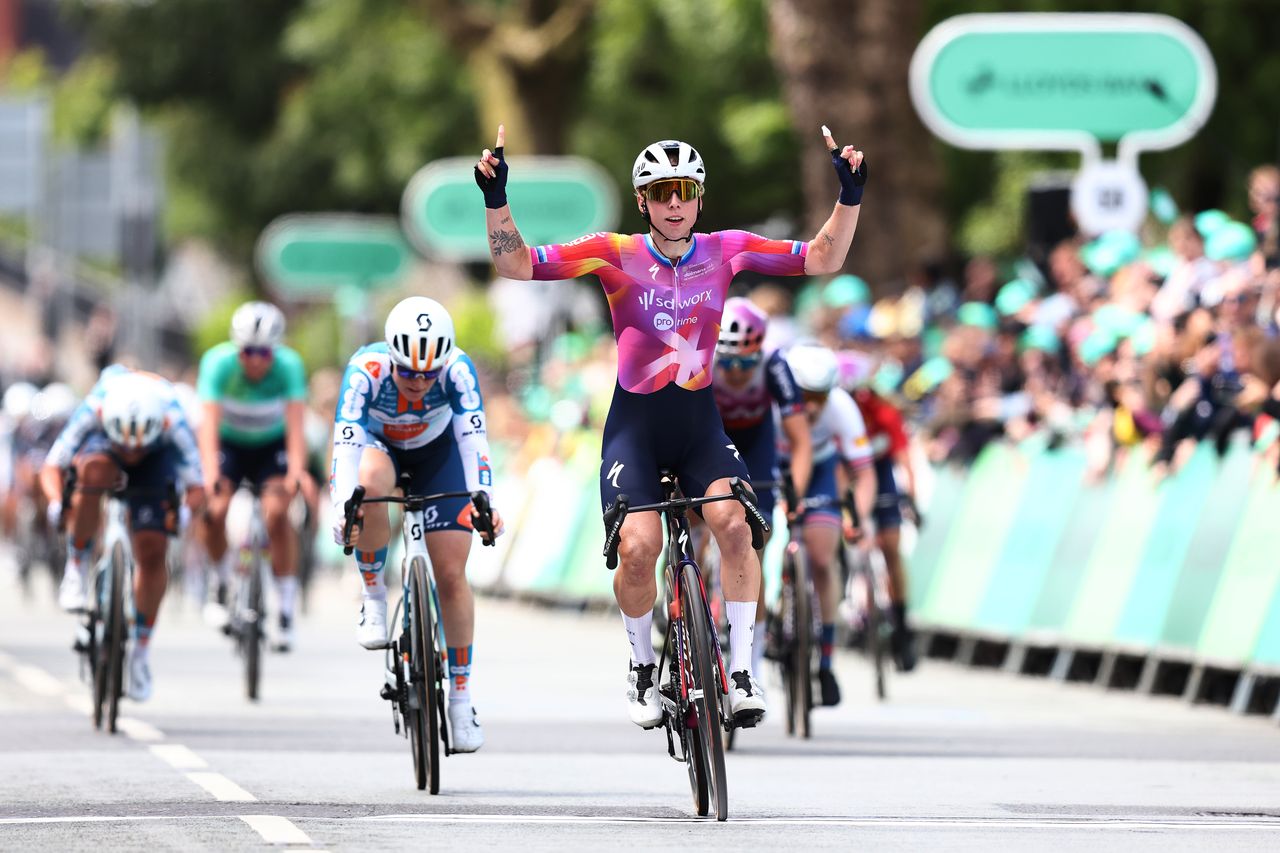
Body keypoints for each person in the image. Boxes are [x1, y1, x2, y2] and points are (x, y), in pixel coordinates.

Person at [475, 123, 868, 728]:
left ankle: (741, 673)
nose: (675, 202)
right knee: (640, 549)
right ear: (644, 202)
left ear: (700, 197)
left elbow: (822, 258)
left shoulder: (726, 249)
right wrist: (496, 199)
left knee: (736, 526)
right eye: (661, 192)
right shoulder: (616, 252)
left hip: (698, 423)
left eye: (684, 189)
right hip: (636, 425)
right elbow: (518, 266)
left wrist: (849, 198)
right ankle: (640, 670)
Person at [329, 296, 503, 754]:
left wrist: (486, 500)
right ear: (391, 357)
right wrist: (340, 506)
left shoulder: (458, 371)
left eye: (429, 374)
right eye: (408, 372)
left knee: (450, 573)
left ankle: (462, 699)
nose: (419, 383)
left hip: (438, 455)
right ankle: (372, 595)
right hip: (378, 451)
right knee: (368, 485)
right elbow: (345, 445)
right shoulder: (365, 370)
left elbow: (474, 441)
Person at [40, 366, 206, 701]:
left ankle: (141, 653)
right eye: (126, 446)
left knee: (153, 548)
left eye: (137, 447)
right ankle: (77, 563)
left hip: (156, 459)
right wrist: (58, 502)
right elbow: (52, 466)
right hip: (104, 447)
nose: (131, 452)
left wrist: (184, 514)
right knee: (92, 470)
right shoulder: (96, 407)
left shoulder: (173, 417)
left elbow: (197, 487)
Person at [196, 302, 313, 652]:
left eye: (264, 352)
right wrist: (211, 473)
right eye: (248, 352)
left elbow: (295, 428)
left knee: (278, 515)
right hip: (230, 445)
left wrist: (295, 472)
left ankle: (286, 609)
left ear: (274, 349)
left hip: (270, 446)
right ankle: (219, 583)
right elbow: (209, 427)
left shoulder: (290, 366)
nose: (256, 360)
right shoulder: (218, 364)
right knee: (214, 510)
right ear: (237, 348)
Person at [711, 296, 813, 675]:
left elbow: (800, 442)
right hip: (713, 440)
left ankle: (749, 663)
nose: (736, 371)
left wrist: (796, 496)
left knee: (755, 546)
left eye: (745, 362)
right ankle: (680, 601)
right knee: (690, 523)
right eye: (729, 361)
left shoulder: (774, 364)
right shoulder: (703, 361)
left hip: (757, 447)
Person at [781, 343, 876, 707]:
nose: (814, 406)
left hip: (819, 469)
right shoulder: (773, 402)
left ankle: (825, 660)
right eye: (805, 396)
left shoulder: (842, 408)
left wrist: (859, 517)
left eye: (820, 396)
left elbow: (863, 474)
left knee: (822, 558)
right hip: (772, 465)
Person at [842, 353, 919, 672]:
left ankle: (902, 628)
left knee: (891, 550)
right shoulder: (838, 413)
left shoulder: (884, 412)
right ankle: (855, 611)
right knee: (846, 540)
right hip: (850, 474)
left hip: (882, 475)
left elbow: (904, 459)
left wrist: (912, 499)